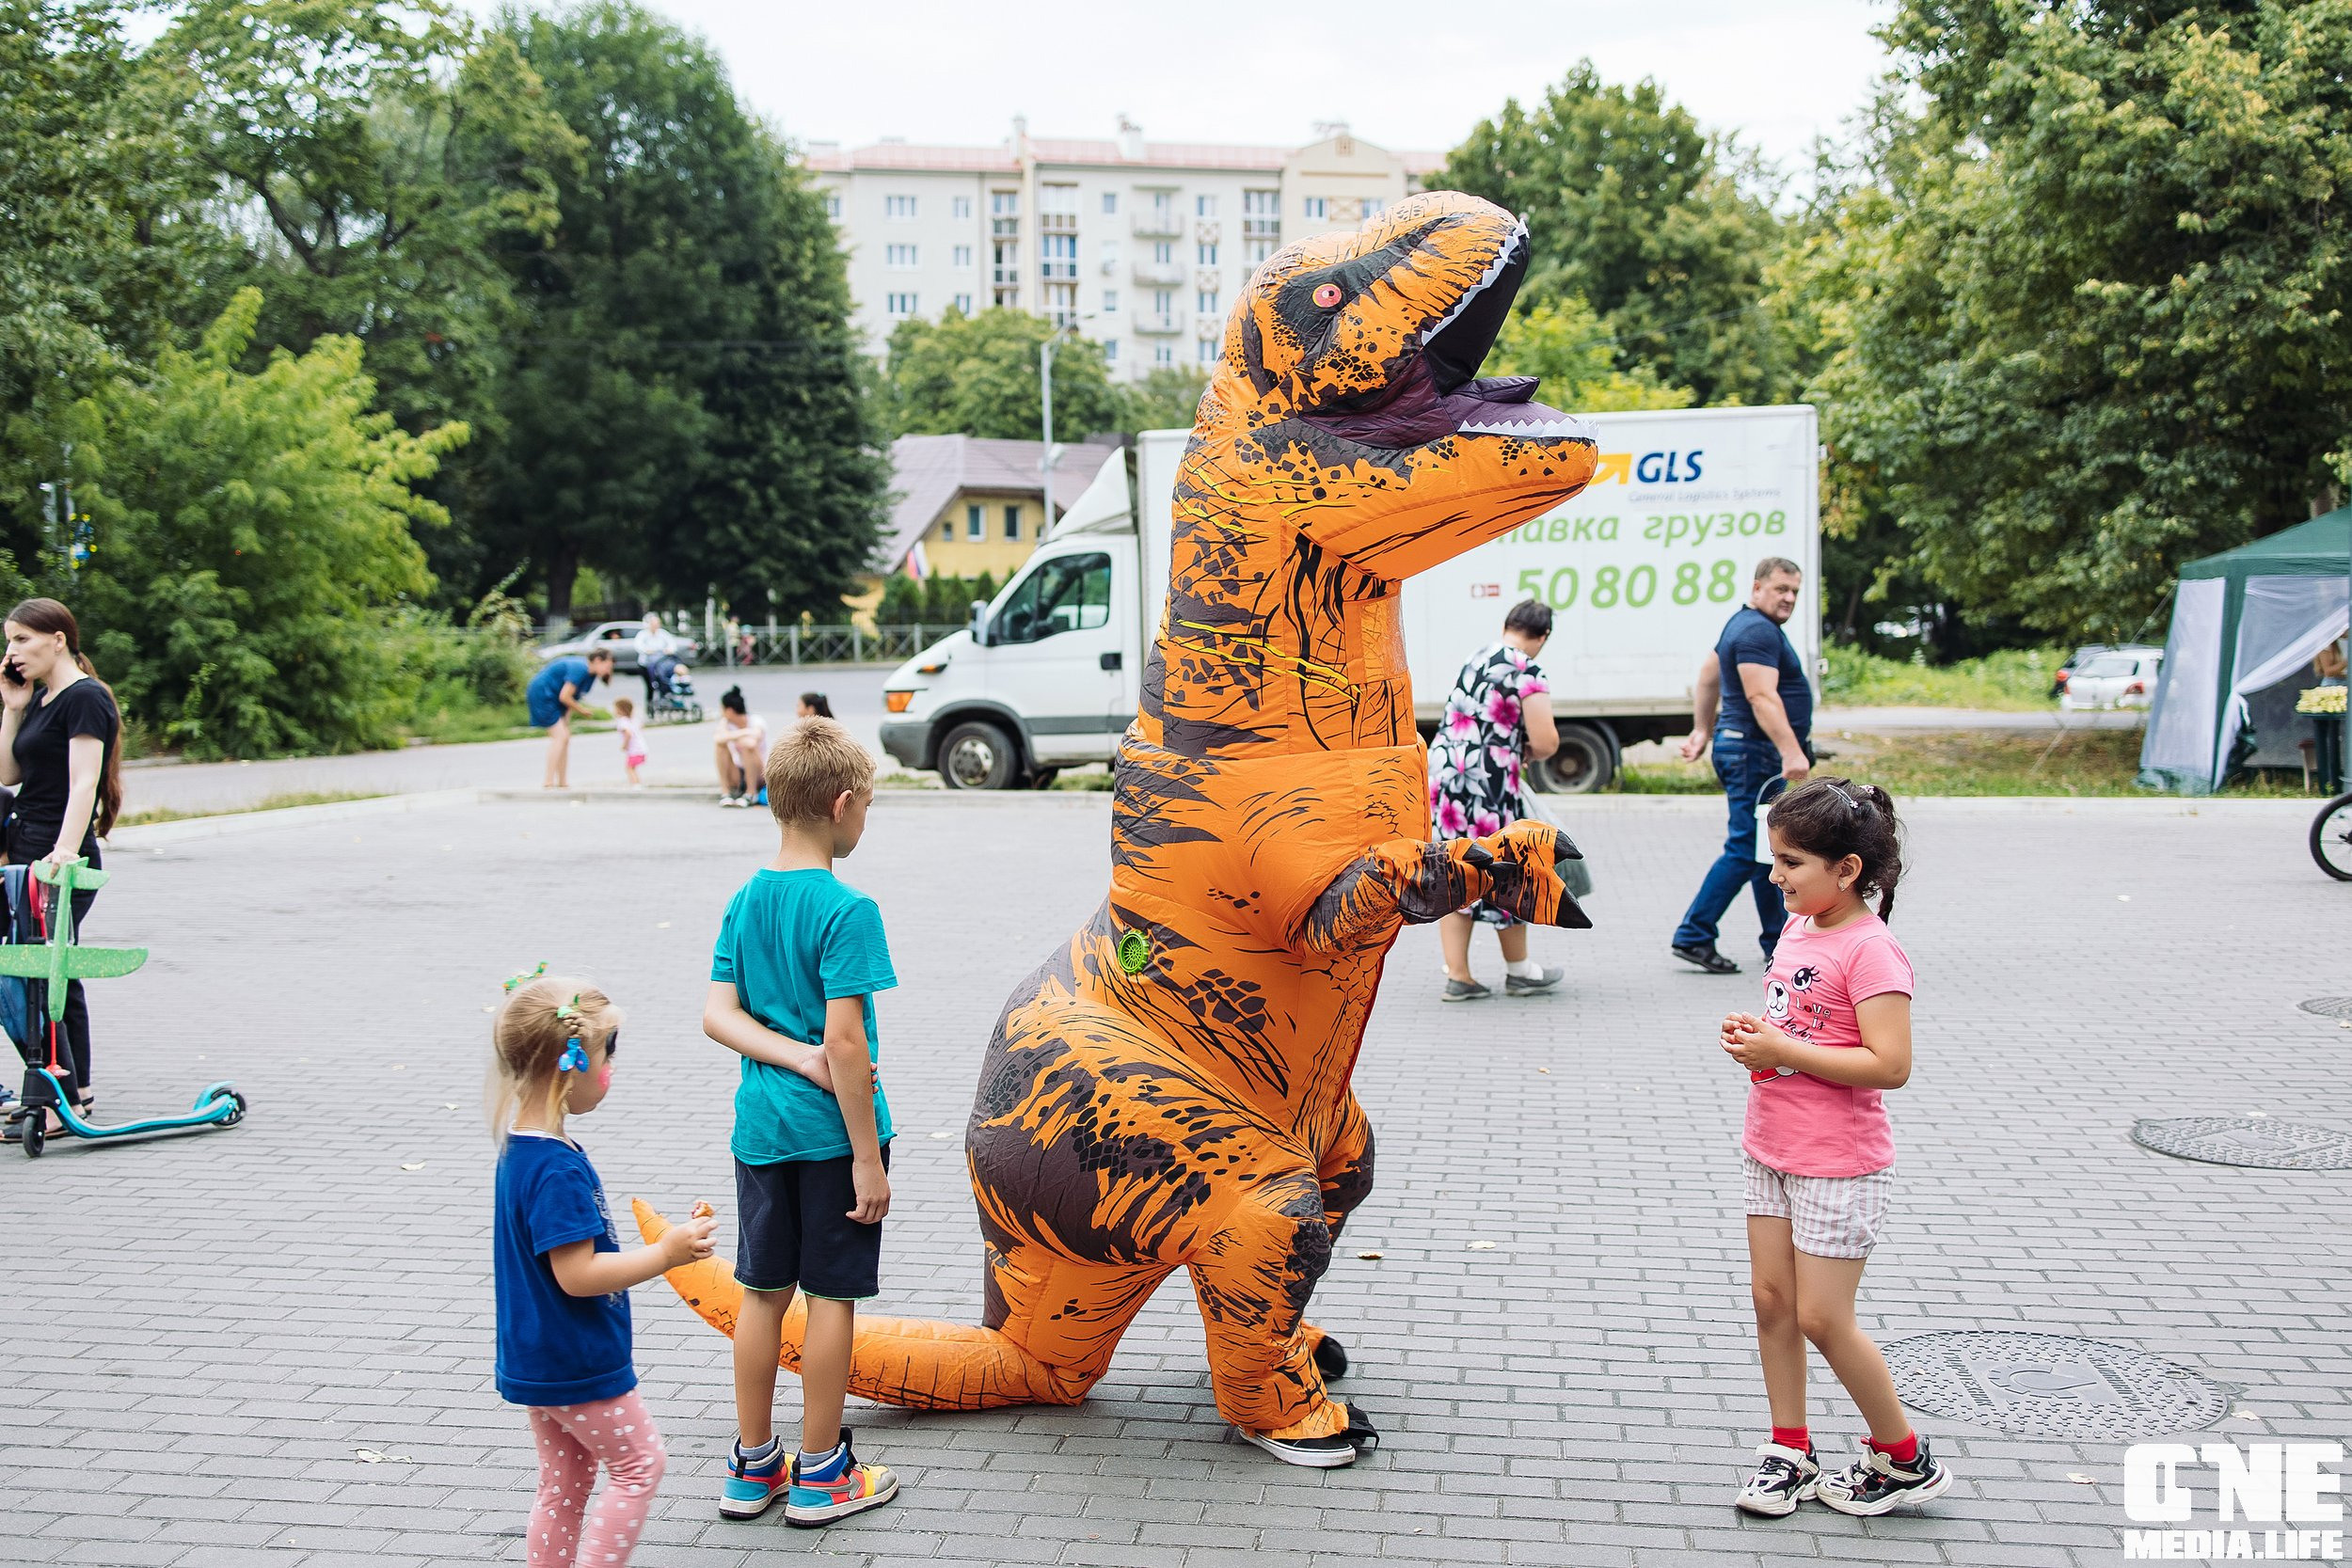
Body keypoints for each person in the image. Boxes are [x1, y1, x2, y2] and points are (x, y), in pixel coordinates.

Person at [1720, 778, 1951, 1519]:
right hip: (1772, 1145)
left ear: (1846, 869)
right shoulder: (1800, 928)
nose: (1776, 874)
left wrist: (1784, 1045)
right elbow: (1800, 1030)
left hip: (1838, 1163)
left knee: (1823, 1316)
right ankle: (1789, 1447)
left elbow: (1890, 1064)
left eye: (1791, 862)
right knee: (1771, 1303)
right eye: (1775, 859)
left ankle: (1904, 1457)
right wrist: (1760, 1045)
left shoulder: (1874, 950)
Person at [700, 717, 899, 1528]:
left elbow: (718, 1015)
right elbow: (846, 1042)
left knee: (760, 1293)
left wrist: (789, 1055)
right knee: (831, 1298)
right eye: (868, 806)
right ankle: (821, 1473)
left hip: (760, 1131)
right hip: (829, 1137)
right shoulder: (849, 910)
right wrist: (867, 1158)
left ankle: (753, 1469)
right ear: (843, 804)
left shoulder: (745, 899)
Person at [489, 973, 718, 1566]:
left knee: (565, 1485)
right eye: (606, 1052)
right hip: (577, 1360)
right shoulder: (556, 1170)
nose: (611, 1069)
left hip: (542, 1356)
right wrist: (666, 1253)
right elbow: (578, 1274)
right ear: (570, 1064)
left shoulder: (526, 1148)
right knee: (640, 1464)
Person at [0, 598, 123, 1133]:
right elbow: (8, 773)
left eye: (21, 640)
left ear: (57, 639)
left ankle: (61, 1096)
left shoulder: (86, 698)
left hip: (59, 855)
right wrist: (12, 707)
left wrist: (66, 854)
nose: (11, 652)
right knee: (44, 970)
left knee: (47, 973)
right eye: (8, 642)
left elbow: (83, 783)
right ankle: (70, 1090)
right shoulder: (43, 699)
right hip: (25, 851)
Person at [1672, 558, 1812, 974]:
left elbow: (1708, 676)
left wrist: (1702, 729)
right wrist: (1791, 751)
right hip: (1756, 754)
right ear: (1757, 589)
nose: (1788, 598)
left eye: (1794, 592)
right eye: (1780, 589)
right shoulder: (1756, 631)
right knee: (1746, 849)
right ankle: (1694, 934)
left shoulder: (1741, 624)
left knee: (1765, 849)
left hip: (1744, 749)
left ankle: (1777, 941)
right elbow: (1760, 697)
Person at [1428, 598, 1566, 1001]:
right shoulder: (1527, 667)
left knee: (1458, 868)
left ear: (1508, 624)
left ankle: (1459, 975)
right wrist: (1528, 749)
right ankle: (1520, 971)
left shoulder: (1477, 656)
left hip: (1448, 778)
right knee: (1508, 866)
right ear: (1542, 637)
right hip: (1486, 782)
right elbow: (1545, 741)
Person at [530, 648, 612, 790]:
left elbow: (570, 699)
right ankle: (548, 781)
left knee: (565, 738)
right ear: (598, 660)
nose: (609, 671)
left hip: (555, 700)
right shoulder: (580, 668)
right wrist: (582, 711)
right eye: (608, 666)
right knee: (560, 737)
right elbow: (565, 696)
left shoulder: (590, 676)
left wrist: (566, 722)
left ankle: (562, 781)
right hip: (543, 695)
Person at [714, 688, 769, 808]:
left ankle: (751, 793)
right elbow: (718, 739)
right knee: (720, 746)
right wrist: (744, 732)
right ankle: (725, 793)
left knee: (746, 744)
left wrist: (732, 736)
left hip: (759, 772)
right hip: (739, 772)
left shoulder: (756, 721)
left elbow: (752, 741)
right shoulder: (726, 723)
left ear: (728, 710)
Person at [634, 615, 682, 707]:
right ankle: (649, 705)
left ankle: (665, 700)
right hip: (646, 665)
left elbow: (672, 644)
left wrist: (669, 650)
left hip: (661, 664)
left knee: (664, 682)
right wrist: (646, 650)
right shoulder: (643, 634)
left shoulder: (663, 634)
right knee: (650, 687)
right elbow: (638, 645)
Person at [613, 697, 646, 788]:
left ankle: (636, 785)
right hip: (641, 748)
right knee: (633, 767)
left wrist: (624, 745)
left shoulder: (622, 721)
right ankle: (637, 784)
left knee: (629, 768)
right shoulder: (634, 719)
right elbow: (641, 726)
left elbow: (628, 733)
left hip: (634, 749)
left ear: (621, 710)